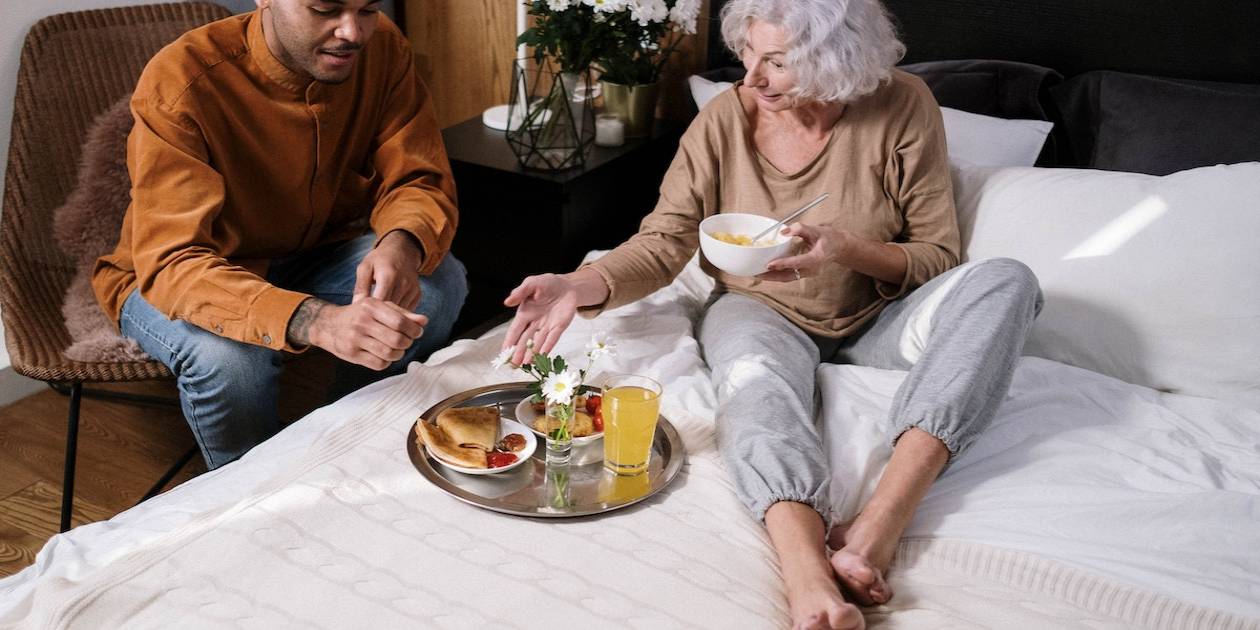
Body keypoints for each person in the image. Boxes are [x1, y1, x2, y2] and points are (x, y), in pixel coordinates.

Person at [499, 0, 1043, 628]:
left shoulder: (903, 104)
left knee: (1009, 281)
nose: (752, 79)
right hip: (759, 308)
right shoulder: (724, 121)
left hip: (882, 317)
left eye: (777, 63)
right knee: (754, 387)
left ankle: (880, 523)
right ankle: (807, 573)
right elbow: (664, 241)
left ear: (838, 62)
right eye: (749, 56)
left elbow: (937, 253)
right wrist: (578, 283)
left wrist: (845, 248)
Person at [92, 0, 467, 470]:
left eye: (368, 9)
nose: (352, 32)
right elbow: (174, 261)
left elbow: (417, 176)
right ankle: (252, 500)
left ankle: (344, 445)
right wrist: (316, 321)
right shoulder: (181, 79)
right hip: (182, 274)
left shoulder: (383, 48)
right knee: (233, 361)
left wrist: (401, 241)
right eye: (325, 9)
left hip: (316, 249)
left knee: (437, 283)